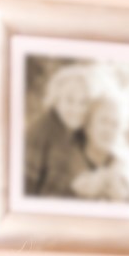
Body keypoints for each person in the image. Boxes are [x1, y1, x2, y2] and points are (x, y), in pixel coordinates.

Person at [24, 64, 95, 197]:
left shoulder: (76, 133)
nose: (77, 109)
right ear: (56, 100)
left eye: (83, 102)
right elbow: (26, 188)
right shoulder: (40, 132)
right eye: (70, 100)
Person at [71, 92, 129, 203]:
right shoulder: (69, 163)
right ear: (88, 125)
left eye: (115, 124)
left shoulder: (123, 171)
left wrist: (122, 198)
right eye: (103, 121)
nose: (108, 129)